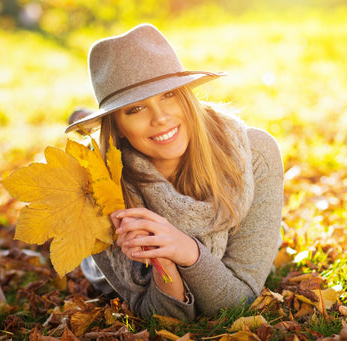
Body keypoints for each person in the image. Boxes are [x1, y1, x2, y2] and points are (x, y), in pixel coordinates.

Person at [65, 23, 284, 321]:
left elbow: (238, 299)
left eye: (168, 95)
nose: (161, 118)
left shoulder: (254, 153)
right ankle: (91, 118)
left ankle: (91, 115)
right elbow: (160, 317)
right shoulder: (100, 185)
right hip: (100, 271)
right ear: (117, 127)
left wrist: (186, 249)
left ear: (186, 95)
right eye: (135, 109)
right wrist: (164, 258)